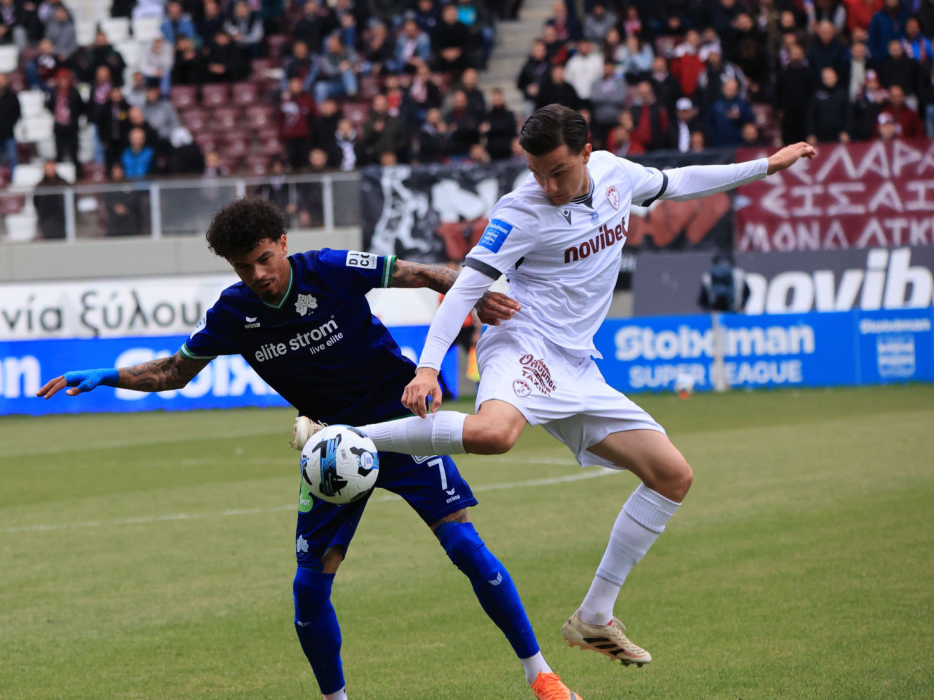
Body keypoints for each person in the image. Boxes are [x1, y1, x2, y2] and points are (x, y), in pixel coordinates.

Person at [291, 105, 818, 669]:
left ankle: (595, 616)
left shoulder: (617, 175)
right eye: (537, 172)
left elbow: (681, 181)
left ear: (587, 152)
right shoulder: (519, 210)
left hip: (578, 365)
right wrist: (426, 368)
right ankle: (339, 434)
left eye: (558, 171)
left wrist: (766, 165)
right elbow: (466, 287)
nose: (547, 185)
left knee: (672, 477)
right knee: (495, 435)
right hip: (523, 341)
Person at [36, 195, 584, 700]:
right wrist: (108, 375)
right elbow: (176, 371)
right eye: (243, 267)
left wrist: (473, 294)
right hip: (332, 448)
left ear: (283, 244)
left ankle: (541, 675)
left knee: (464, 545)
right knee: (309, 587)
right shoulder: (232, 314)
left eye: (264, 259)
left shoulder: (329, 268)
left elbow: (418, 272)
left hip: (399, 421)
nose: (258, 275)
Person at [33, 160, 69, 239]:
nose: (50, 171)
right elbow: (36, 202)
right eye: (48, 169)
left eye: (51, 168)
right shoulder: (40, 185)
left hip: (61, 219)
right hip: (46, 219)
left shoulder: (63, 183)